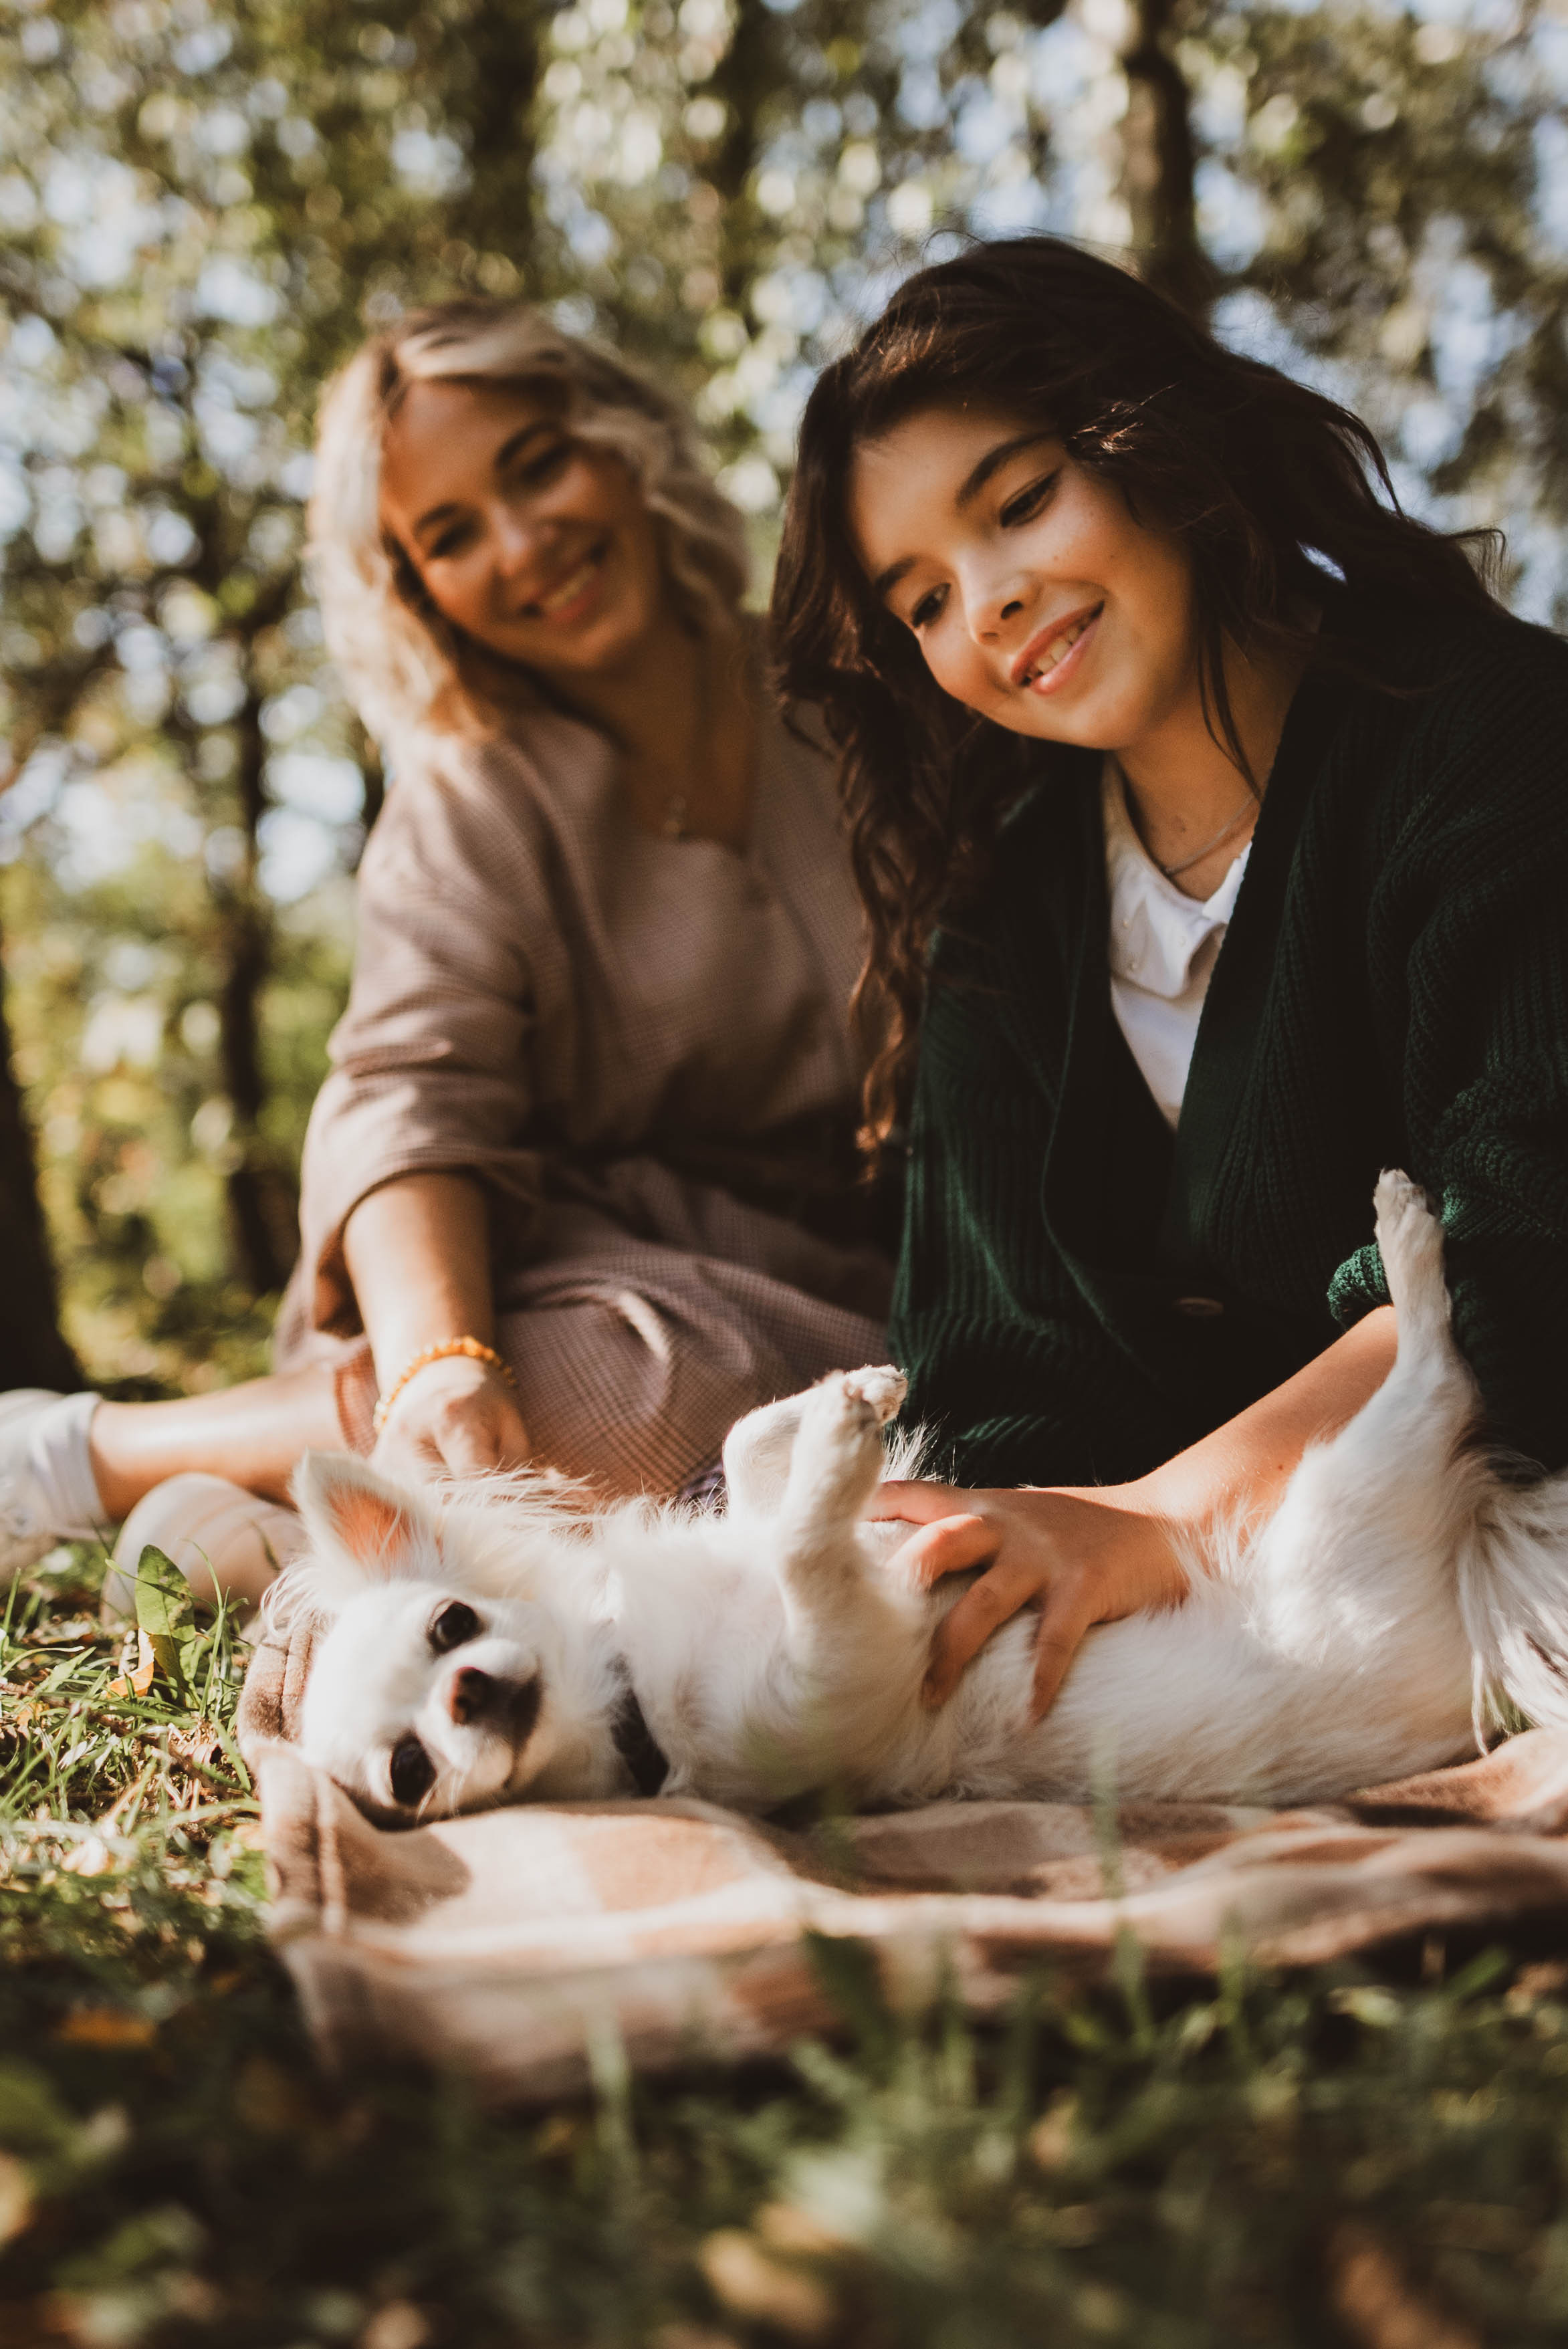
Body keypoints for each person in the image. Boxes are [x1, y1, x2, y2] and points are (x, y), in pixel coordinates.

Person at [771, 235, 1568, 1724]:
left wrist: (1157, 1516)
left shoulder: (1490, 732)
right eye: (924, 599)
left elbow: (1527, 1231)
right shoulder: (1002, 924)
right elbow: (998, 1365)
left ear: (1158, 442)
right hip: (1238, 1629)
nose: (990, 602)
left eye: (1019, 504)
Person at [0, 302, 890, 1587]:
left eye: (535, 467)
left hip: (880, 1268)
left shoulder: (849, 699)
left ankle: (280, 1531)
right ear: (418, 590)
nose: (526, 546)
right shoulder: (468, 802)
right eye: (453, 536)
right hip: (599, 1294)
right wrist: (442, 1363)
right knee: (648, 1394)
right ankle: (96, 1458)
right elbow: (406, 1097)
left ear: (619, 442)